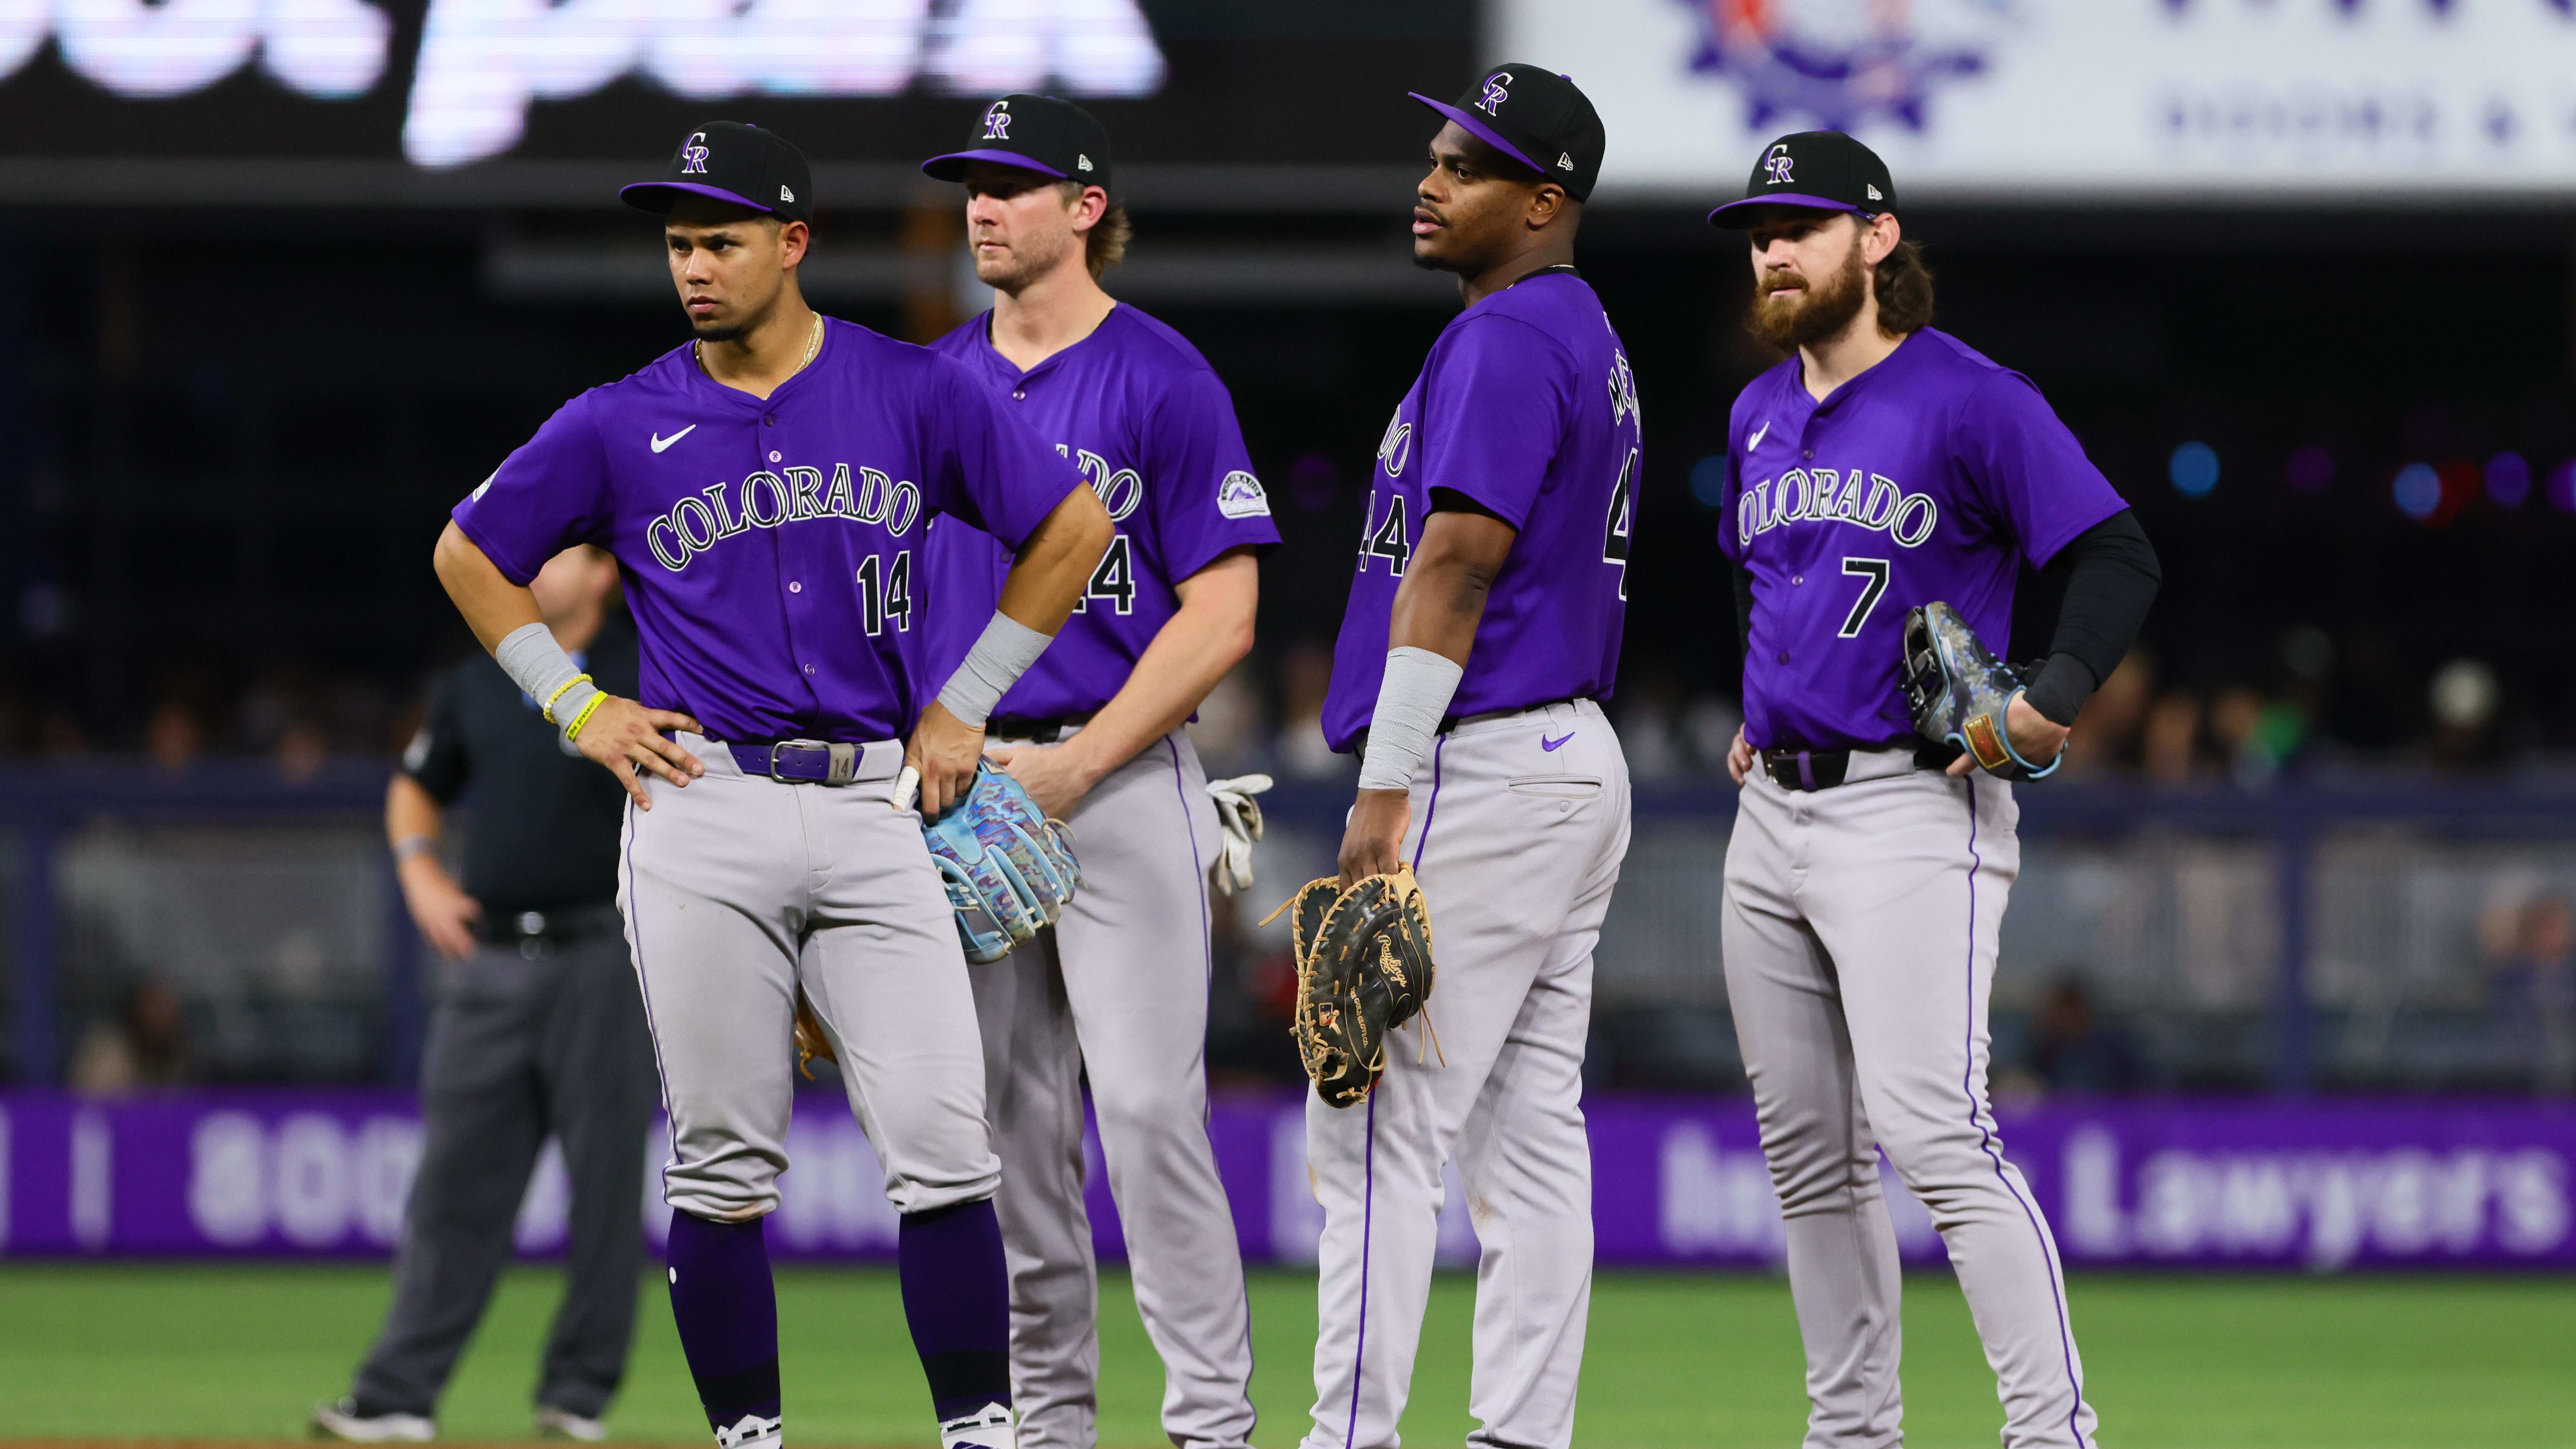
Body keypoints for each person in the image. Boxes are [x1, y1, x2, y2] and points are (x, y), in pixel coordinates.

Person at [429, 121, 1114, 1449]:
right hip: (705, 803)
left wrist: (965, 701)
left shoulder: (909, 388)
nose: (692, 264)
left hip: (875, 805)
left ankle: (979, 1432)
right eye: (678, 241)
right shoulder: (622, 419)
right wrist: (573, 702)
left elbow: (1074, 528)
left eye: (720, 238)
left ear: (792, 242)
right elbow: (469, 552)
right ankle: (751, 1438)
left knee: (944, 1146)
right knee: (724, 1162)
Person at [1708, 131, 2162, 1449]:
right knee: (1806, 1160)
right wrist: (1761, 708)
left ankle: (2049, 1432)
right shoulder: (1753, 414)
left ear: (1878, 239)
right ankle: (1851, 1433)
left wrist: (2049, 696)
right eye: (1759, 229)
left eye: (1801, 223)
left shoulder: (1969, 398)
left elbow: (2116, 552)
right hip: (1771, 814)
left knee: (1939, 1137)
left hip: (1911, 810)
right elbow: (1776, 584)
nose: (1774, 249)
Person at [916, 96, 1276, 1449]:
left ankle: (1208, 1425)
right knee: (1007, 1137)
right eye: (971, 184)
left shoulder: (1161, 377)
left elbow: (1224, 613)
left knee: (1141, 1107)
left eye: (1012, 184)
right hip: (962, 794)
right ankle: (1048, 1424)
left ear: (1084, 209)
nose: (981, 206)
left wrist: (1080, 764)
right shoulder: (927, 384)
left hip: (1115, 777)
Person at [1307, 65, 1635, 1449]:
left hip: (1480, 760)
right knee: (1524, 1133)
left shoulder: (1507, 338)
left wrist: (1383, 792)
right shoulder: (1578, 331)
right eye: (1434, 156)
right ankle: (1517, 1431)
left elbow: (1453, 564)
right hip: (1563, 759)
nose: (1431, 182)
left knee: (1378, 1129)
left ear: (1542, 201)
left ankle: (1347, 1435)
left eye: (1469, 166)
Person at [312, 543, 657, 1444]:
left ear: (602, 574)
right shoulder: (481, 676)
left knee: (607, 1188)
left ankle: (577, 1393)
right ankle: (397, 1394)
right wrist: (420, 872)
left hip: (608, 955)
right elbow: (415, 788)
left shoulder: (649, 665)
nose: (537, 563)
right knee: (452, 1186)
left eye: (562, 551)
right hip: (493, 959)